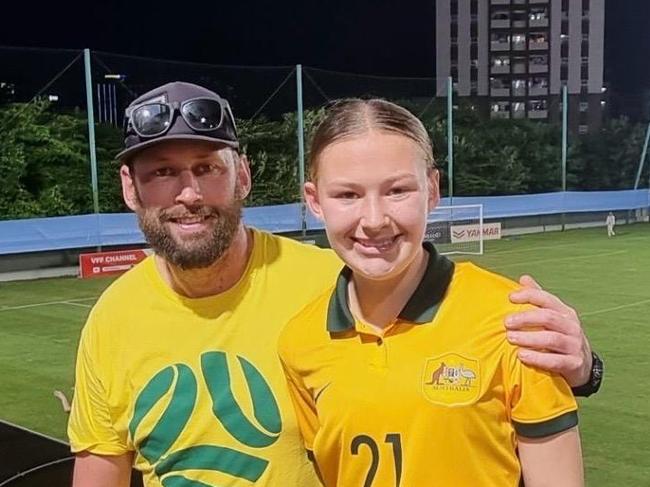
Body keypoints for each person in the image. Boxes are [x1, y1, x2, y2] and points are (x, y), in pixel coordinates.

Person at [67, 82, 600, 487]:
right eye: (162, 173)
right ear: (130, 188)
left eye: (207, 168)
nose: (188, 193)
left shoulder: (336, 282)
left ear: (243, 177)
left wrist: (583, 366)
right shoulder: (112, 321)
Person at [278, 99, 584, 487]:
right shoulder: (299, 342)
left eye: (397, 190)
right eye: (348, 195)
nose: (374, 220)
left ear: (432, 190)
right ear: (314, 201)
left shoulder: (513, 319)